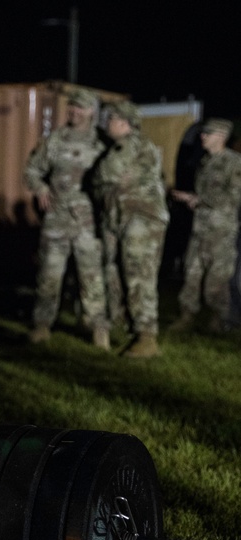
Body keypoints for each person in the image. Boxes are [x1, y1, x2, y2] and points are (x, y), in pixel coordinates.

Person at [24, 89, 109, 348]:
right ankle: (42, 324)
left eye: (80, 108)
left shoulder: (101, 144)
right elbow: (32, 170)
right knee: (49, 275)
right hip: (56, 220)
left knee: (91, 277)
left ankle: (98, 328)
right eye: (71, 107)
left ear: (92, 112)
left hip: (88, 222)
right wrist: (39, 187)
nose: (74, 112)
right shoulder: (55, 140)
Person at [93, 101, 170, 358]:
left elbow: (106, 175)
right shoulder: (120, 147)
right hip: (124, 219)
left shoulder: (134, 145)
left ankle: (147, 337)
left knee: (139, 275)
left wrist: (101, 180)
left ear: (124, 122)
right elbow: (103, 182)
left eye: (111, 119)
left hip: (141, 220)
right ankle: (131, 327)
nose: (107, 123)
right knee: (121, 272)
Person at [169, 118, 241, 333]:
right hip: (200, 229)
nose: (203, 137)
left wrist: (198, 199)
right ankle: (187, 315)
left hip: (221, 232)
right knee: (191, 273)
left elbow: (235, 196)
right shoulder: (205, 161)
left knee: (217, 278)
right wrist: (193, 201)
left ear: (221, 137)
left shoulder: (234, 163)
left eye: (208, 134)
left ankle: (219, 319)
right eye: (203, 133)